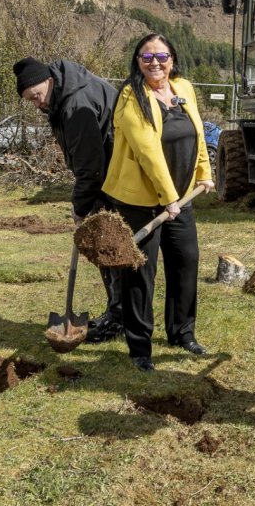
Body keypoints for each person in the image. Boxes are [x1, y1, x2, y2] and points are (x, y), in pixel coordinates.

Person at [102, 33, 214, 372]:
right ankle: (140, 347)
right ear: (137, 62)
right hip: (141, 202)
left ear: (172, 60)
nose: (155, 63)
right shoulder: (130, 96)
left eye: (161, 57)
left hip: (181, 199)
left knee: (186, 262)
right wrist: (168, 198)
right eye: (147, 57)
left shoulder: (184, 88)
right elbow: (147, 151)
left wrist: (204, 173)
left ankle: (182, 333)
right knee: (140, 273)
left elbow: (199, 135)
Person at [13, 57, 123, 343]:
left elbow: (90, 165)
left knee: (111, 250)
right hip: (109, 179)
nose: (36, 103)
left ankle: (119, 320)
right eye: (30, 100)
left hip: (115, 181)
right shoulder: (65, 93)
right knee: (108, 250)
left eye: (36, 96)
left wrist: (80, 206)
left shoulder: (75, 103)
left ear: (49, 81)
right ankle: (117, 313)